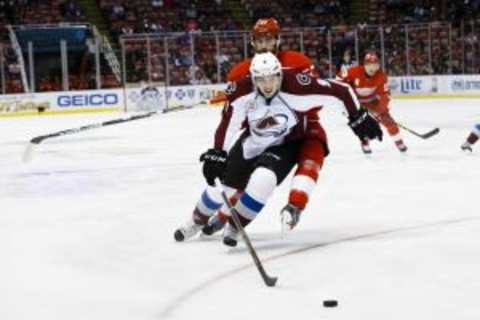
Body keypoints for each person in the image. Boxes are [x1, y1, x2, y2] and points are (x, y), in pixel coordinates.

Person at [174, 53, 382, 246]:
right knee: (221, 187)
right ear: (253, 79)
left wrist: (358, 117)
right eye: (261, 80)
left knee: (263, 181)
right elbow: (229, 123)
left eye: (272, 78)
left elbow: (341, 91)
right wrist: (218, 153)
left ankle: (236, 226)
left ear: (280, 75)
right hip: (253, 142)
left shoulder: (297, 86)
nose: (267, 85)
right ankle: (196, 220)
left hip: (285, 145)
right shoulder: (241, 91)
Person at [203, 17, 332, 234]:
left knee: (313, 154)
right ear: (253, 42)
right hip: (267, 133)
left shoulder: (298, 62)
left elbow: (314, 102)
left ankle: (295, 207)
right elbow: (241, 116)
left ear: (277, 40)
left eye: (268, 39)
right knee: (248, 175)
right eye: (259, 40)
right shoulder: (240, 71)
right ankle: (223, 214)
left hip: (303, 127)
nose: (264, 45)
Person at [337, 52, 407, 154]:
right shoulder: (353, 71)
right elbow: (338, 79)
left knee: (389, 122)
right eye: (370, 65)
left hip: (372, 102)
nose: (373, 68)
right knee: (364, 124)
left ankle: (399, 142)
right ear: (364, 65)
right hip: (356, 103)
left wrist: (380, 110)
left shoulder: (381, 76)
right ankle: (365, 143)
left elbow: (385, 95)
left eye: (375, 65)